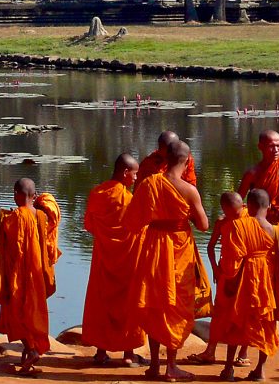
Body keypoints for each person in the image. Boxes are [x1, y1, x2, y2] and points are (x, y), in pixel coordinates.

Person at [123, 140, 210, 381]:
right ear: (188, 161)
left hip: (154, 246)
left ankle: (154, 365)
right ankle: (171, 366)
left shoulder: (149, 183)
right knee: (176, 305)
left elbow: (131, 223)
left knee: (154, 303)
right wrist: (185, 216)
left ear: (165, 158)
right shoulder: (189, 190)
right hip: (179, 248)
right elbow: (204, 225)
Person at [215, 189, 279, 382]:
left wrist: (229, 281)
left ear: (248, 206)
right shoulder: (276, 230)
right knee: (266, 324)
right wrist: (276, 279)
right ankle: (260, 370)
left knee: (236, 322)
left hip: (243, 281)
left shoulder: (239, 225)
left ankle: (228, 369)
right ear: (269, 206)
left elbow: (233, 259)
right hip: (266, 284)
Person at [238, 129, 279, 344]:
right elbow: (238, 201)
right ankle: (256, 329)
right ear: (260, 147)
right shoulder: (253, 173)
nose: (276, 149)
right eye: (271, 145)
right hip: (261, 231)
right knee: (261, 278)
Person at [82, 153, 146, 366]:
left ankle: (101, 352)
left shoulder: (97, 193)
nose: (136, 178)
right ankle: (128, 354)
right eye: (134, 174)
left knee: (102, 303)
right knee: (128, 304)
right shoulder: (129, 200)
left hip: (103, 259)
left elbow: (89, 225)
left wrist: (107, 237)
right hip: (127, 261)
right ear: (125, 172)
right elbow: (140, 229)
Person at [0, 178, 60, 376]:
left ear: (16, 195)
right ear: (34, 195)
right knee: (33, 310)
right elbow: (49, 239)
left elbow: (8, 249)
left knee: (17, 312)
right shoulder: (41, 216)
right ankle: (30, 350)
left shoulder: (14, 218)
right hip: (37, 274)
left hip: (18, 275)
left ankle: (31, 350)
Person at [190, 192, 249, 366]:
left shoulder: (250, 219)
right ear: (225, 209)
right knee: (219, 313)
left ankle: (243, 353)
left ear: (243, 206)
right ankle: (210, 352)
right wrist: (215, 269)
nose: (236, 216)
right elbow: (210, 247)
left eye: (238, 211)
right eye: (232, 213)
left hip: (247, 274)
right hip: (226, 272)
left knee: (245, 313)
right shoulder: (222, 223)